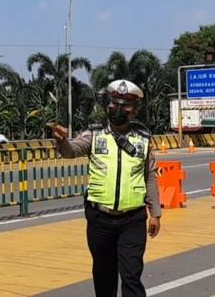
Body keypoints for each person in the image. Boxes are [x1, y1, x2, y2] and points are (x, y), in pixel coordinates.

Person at [51, 79, 160, 297]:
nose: (119, 109)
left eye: (125, 105)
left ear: (134, 110)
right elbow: (71, 151)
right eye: (115, 104)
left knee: (131, 275)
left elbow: (149, 175)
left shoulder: (143, 140)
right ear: (107, 106)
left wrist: (155, 213)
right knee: (103, 275)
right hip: (100, 219)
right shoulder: (94, 136)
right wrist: (61, 141)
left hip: (133, 219)